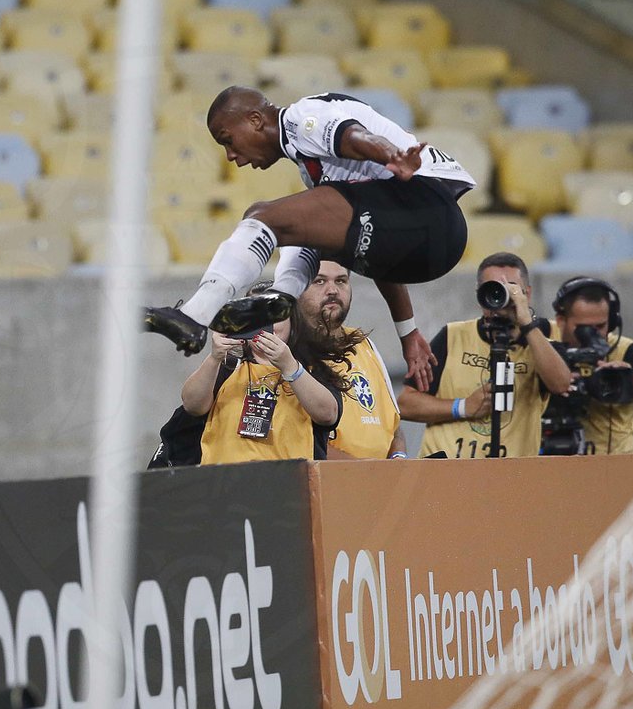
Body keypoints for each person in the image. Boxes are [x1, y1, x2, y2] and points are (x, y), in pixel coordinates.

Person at [143, 85, 476, 391]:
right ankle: (280, 298)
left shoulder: (301, 118)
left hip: (429, 208)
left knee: (261, 216)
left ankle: (195, 315)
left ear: (255, 120)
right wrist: (408, 332)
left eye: (228, 140)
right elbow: (384, 259)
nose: (231, 155)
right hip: (427, 249)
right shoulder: (315, 170)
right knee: (303, 229)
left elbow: (353, 136)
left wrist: (390, 156)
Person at [398, 253, 571, 458]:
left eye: (511, 288)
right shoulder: (453, 335)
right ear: (479, 293)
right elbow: (405, 404)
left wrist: (526, 322)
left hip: (511, 472)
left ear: (528, 293)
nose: (502, 297)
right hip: (447, 469)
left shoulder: (541, 340)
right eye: (493, 288)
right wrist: (462, 407)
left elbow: (560, 384)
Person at [180, 281, 363, 464]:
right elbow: (192, 405)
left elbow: (328, 415)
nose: (266, 323)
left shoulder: (311, 368)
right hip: (226, 478)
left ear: (292, 320)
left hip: (290, 478)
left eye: (275, 314)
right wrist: (214, 358)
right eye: (256, 315)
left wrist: (289, 366)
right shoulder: (228, 367)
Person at [297, 260, 407, 459]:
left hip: (381, 475)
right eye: (319, 281)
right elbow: (297, 441)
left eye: (341, 281)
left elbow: (393, 426)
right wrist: (365, 472)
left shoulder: (365, 345)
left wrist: (399, 458)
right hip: (329, 476)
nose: (333, 290)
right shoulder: (289, 353)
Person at [550, 276, 633, 454]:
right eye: (583, 328)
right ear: (561, 320)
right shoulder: (544, 344)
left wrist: (626, 377)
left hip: (614, 461)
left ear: (612, 321)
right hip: (549, 457)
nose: (594, 334)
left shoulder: (625, 349)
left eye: (600, 326)